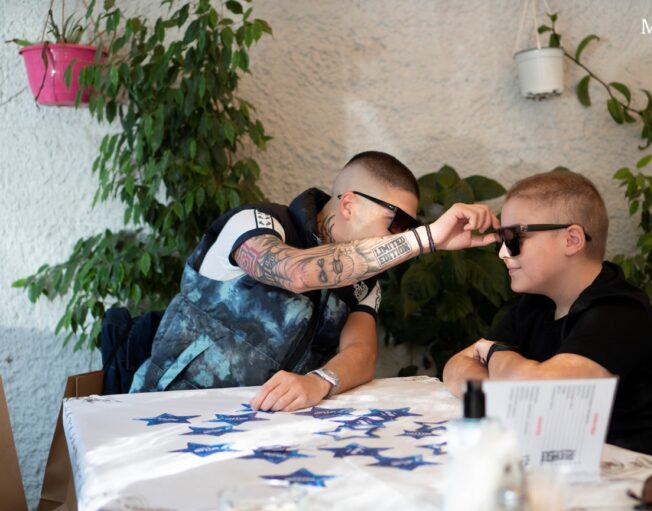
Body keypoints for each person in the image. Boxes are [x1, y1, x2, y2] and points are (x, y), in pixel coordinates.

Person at [130, 151, 499, 413]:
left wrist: (319, 381)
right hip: (167, 409)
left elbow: (362, 353)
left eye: (409, 227)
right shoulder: (258, 223)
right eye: (397, 222)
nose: (400, 236)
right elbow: (297, 273)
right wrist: (425, 238)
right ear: (349, 204)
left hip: (261, 425)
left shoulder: (366, 280)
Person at [442, 168, 652, 462]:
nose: (503, 253)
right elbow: (455, 368)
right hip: (568, 463)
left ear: (571, 239)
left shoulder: (619, 314)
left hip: (640, 479)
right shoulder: (538, 304)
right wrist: (510, 389)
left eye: (513, 238)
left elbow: (545, 397)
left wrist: (494, 353)